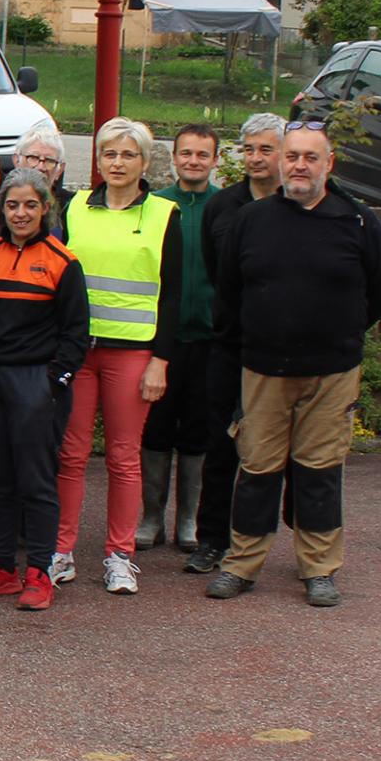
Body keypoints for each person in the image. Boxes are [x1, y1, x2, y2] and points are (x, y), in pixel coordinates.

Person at [207, 122, 381, 607]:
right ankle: (242, 564)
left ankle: (319, 569)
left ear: (328, 164)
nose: (299, 165)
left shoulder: (356, 221)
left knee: (319, 471)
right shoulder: (253, 220)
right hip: (264, 369)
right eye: (292, 156)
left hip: (331, 372)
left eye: (311, 157)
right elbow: (228, 291)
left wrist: (342, 331)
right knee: (257, 469)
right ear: (280, 161)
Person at [52, 117, 182, 595]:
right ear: (98, 160)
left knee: (125, 459)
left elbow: (173, 296)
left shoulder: (165, 215)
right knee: (70, 454)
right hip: (80, 352)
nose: (118, 162)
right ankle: (60, 551)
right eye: (110, 154)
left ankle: (119, 555)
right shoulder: (76, 208)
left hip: (133, 355)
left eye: (128, 155)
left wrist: (160, 360)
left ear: (145, 162)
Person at [0, 168, 89, 612]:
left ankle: (38, 572)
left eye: (30, 205)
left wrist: (54, 382)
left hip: (35, 381)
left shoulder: (62, 262)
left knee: (36, 482)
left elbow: (76, 334)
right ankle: (0, 569)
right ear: (2, 209)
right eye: (13, 205)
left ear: (45, 208)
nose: (21, 213)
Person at [187, 113, 286, 575]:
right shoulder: (222, 206)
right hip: (228, 345)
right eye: (249, 149)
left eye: (266, 149)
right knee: (221, 445)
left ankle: (264, 541)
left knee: (274, 454)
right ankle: (211, 540)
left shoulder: (298, 205)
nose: (256, 158)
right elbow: (216, 269)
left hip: (283, 351)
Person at [137, 123, 220, 554]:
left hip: (208, 339)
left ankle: (187, 518)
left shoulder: (225, 208)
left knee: (198, 431)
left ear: (215, 160)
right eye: (185, 153)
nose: (192, 161)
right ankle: (152, 516)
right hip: (160, 339)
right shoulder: (155, 206)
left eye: (201, 154)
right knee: (156, 429)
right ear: (173, 159)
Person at [14, 120, 74, 225]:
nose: (40, 167)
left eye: (49, 160)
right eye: (33, 157)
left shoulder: (71, 207)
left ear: (60, 170)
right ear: (16, 161)